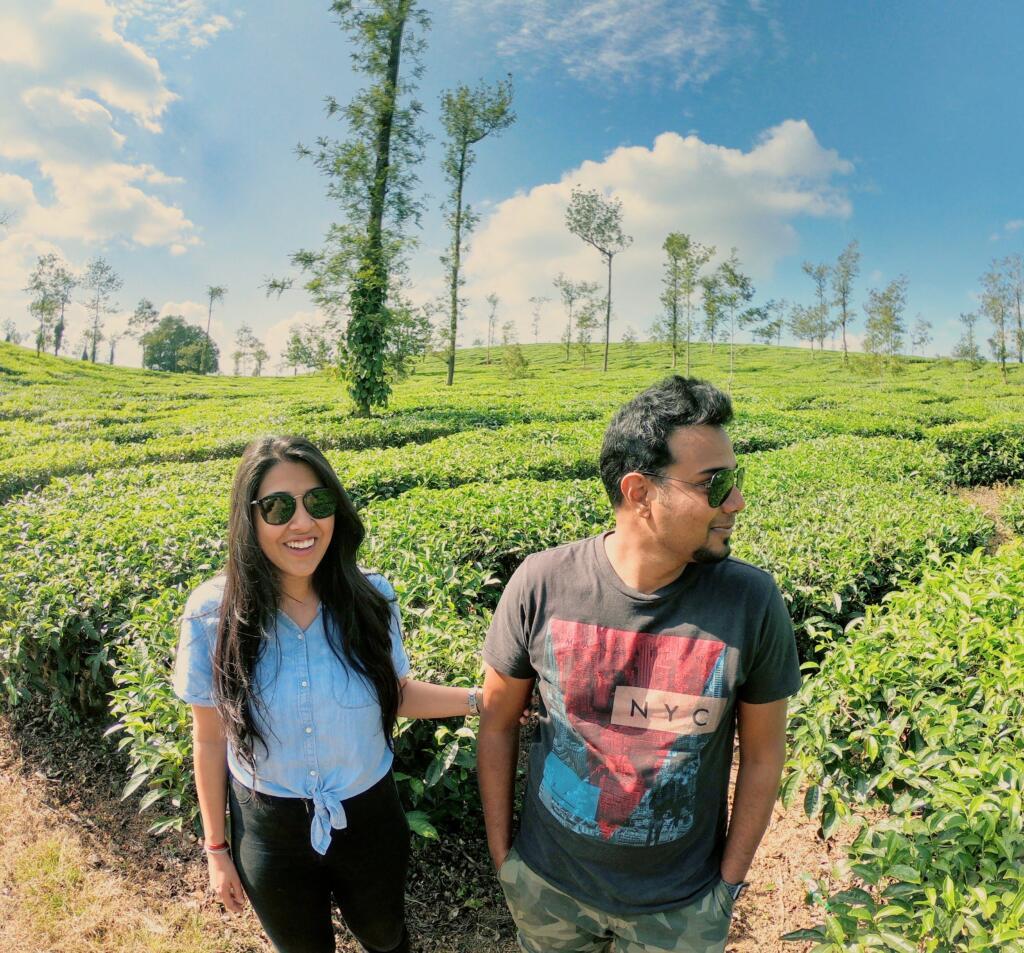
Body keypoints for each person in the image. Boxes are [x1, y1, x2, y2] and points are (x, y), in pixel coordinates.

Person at [478, 375, 801, 953]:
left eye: (736, 479)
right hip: (548, 887)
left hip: (680, 908)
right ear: (640, 492)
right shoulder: (541, 583)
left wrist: (725, 888)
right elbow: (497, 723)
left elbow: (763, 754)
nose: (736, 502)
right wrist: (507, 861)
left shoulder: (751, 602)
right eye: (715, 484)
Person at [172, 435, 481, 953]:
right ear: (248, 519)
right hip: (269, 826)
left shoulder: (371, 597)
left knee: (385, 935)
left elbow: (396, 693)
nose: (301, 523)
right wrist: (216, 848)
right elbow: (209, 740)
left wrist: (480, 699)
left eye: (318, 502)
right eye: (277, 507)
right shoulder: (212, 615)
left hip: (369, 815)